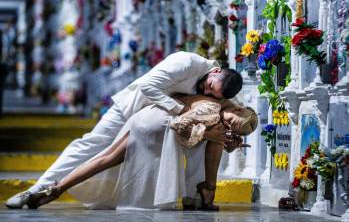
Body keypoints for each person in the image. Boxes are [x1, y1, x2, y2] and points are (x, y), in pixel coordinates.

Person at [6, 51, 243, 209]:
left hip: (156, 122)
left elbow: (235, 113)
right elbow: (148, 85)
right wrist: (182, 110)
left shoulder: (217, 88)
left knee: (205, 138)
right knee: (91, 144)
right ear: (215, 71)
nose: (207, 91)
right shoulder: (187, 62)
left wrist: (231, 134)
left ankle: (196, 198)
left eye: (213, 94)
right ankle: (37, 189)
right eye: (210, 87)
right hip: (130, 109)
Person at [24, 95, 257, 210]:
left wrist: (226, 141)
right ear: (235, 109)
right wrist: (209, 135)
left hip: (149, 117)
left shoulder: (223, 104)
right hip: (159, 125)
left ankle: (55, 189)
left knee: (108, 158)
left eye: (231, 127)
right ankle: (207, 192)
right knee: (110, 157)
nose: (226, 126)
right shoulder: (212, 110)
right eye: (230, 122)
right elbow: (178, 126)